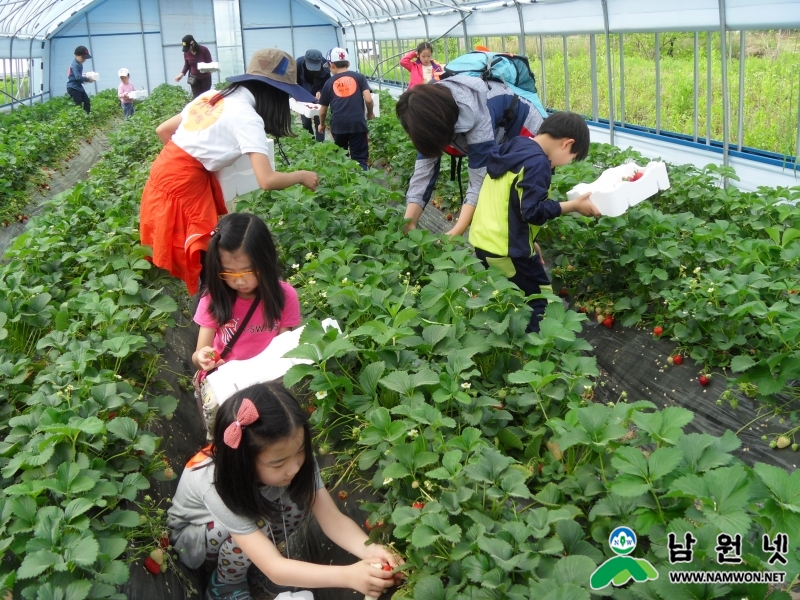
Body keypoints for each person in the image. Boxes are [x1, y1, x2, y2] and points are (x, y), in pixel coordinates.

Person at [167, 383, 403, 600]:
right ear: (245, 462)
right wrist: (348, 575)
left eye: (300, 451)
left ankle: (252, 565)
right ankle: (225, 585)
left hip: (251, 525)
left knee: (295, 501)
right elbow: (275, 568)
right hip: (198, 539)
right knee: (254, 528)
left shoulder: (293, 458)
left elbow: (332, 519)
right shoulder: (214, 483)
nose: (294, 467)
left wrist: (372, 550)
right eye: (278, 464)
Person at [140, 48, 319, 296]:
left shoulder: (212, 96)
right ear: (274, 92)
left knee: (202, 245)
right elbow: (267, 180)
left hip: (163, 173)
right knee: (206, 253)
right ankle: (214, 307)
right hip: (184, 184)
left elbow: (163, 130)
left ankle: (211, 306)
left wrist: (196, 155)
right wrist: (302, 176)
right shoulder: (247, 118)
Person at [469, 111, 601, 333]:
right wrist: (573, 206)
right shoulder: (538, 163)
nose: (566, 164)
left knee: (512, 295)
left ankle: (505, 337)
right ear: (567, 144)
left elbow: (511, 203)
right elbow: (532, 211)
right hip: (505, 249)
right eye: (571, 158)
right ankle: (534, 352)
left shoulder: (516, 147)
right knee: (539, 298)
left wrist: (530, 240)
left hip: (486, 241)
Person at [191, 213, 302, 436]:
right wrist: (203, 357)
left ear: (266, 261)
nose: (239, 280)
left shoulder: (284, 296)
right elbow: (197, 356)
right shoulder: (214, 299)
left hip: (267, 382)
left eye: (248, 271)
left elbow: (283, 348)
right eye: (228, 273)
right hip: (227, 384)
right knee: (230, 436)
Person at [396, 75, 545, 237]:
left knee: (517, 194)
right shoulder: (426, 117)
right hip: (496, 133)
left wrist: (456, 231)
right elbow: (423, 173)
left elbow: (479, 179)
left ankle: (526, 241)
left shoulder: (476, 112)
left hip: (524, 130)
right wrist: (409, 222)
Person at [318, 48, 374, 171]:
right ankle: (362, 182)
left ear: (332, 65)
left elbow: (322, 111)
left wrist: (321, 125)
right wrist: (370, 113)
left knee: (341, 158)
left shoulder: (329, 82)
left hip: (338, 125)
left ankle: (345, 184)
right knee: (360, 158)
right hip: (357, 123)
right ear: (348, 63)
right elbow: (369, 100)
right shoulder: (359, 77)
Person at [295, 49, 331, 142]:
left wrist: (321, 91)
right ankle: (310, 143)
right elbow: (292, 81)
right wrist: (296, 94)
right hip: (303, 95)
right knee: (306, 122)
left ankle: (320, 144)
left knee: (319, 120)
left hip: (318, 97)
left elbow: (327, 83)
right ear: (305, 60)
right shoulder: (298, 64)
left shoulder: (325, 66)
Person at [67, 45, 94, 114]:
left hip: (78, 87)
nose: (84, 60)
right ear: (76, 55)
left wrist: (85, 76)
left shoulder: (79, 63)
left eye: (85, 58)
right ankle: (79, 118)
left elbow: (78, 75)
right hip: (73, 87)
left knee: (86, 101)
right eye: (83, 57)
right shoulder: (75, 64)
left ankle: (87, 115)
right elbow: (78, 77)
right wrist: (88, 79)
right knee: (78, 104)